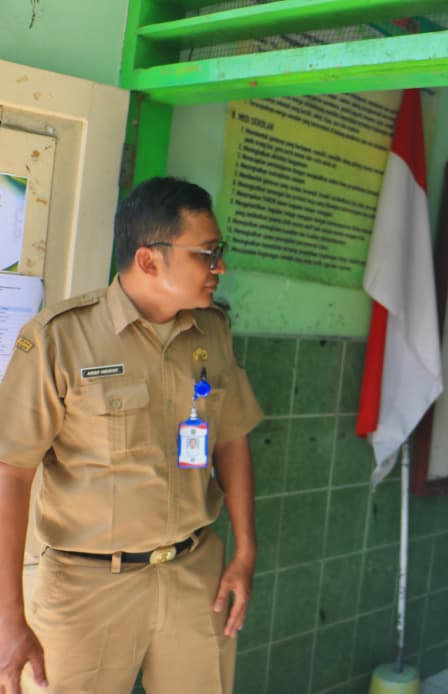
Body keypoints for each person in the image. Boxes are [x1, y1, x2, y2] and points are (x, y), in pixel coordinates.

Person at [0, 177, 264, 693]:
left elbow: (232, 438)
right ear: (149, 260)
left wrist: (245, 551)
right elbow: (11, 473)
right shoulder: (60, 339)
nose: (220, 268)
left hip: (193, 574)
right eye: (207, 254)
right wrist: (8, 616)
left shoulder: (211, 332)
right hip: (86, 588)